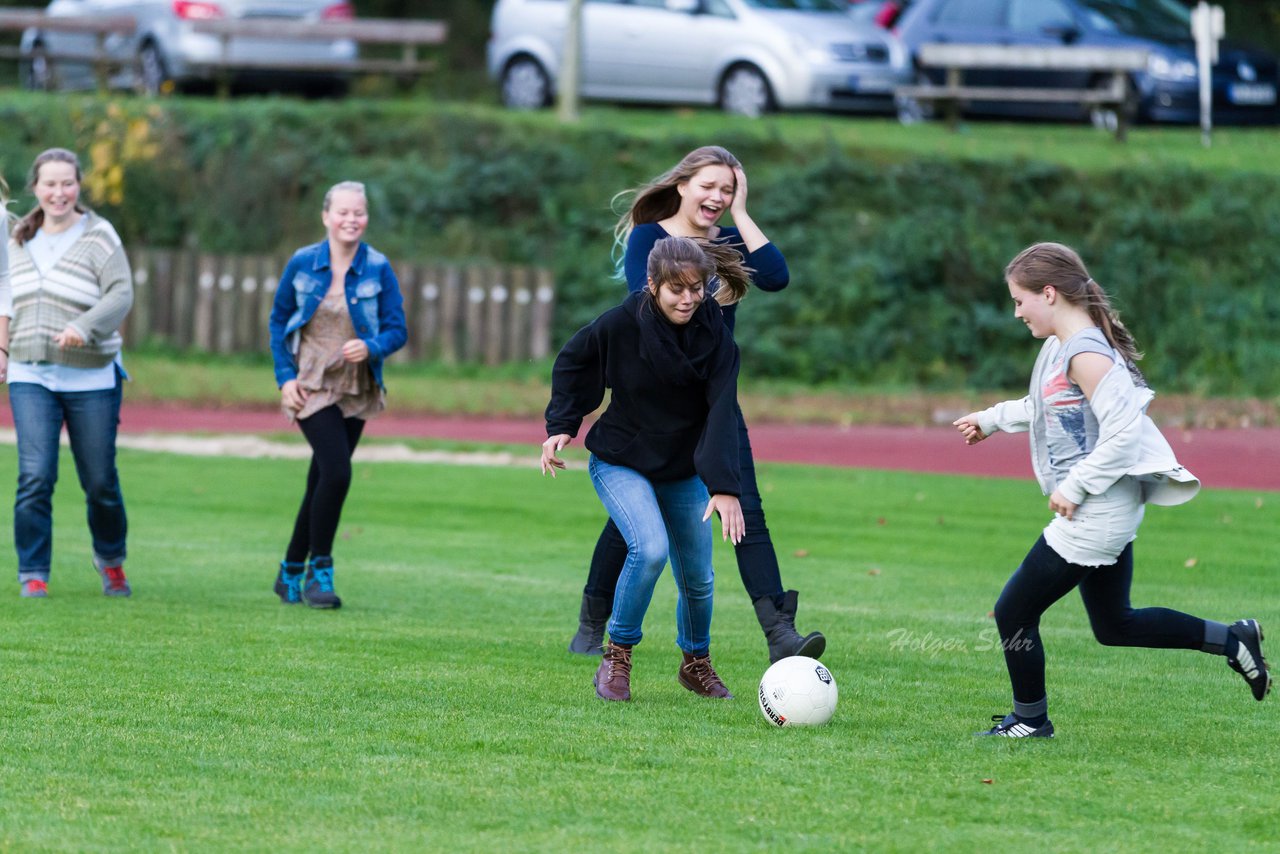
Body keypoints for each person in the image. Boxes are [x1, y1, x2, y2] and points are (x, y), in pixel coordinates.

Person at [953, 241, 1270, 738]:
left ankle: (1030, 721)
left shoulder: (1086, 353)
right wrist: (991, 419)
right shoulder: (1063, 346)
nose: (1016, 312)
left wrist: (1076, 487)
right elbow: (1047, 406)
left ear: (1050, 293)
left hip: (1097, 512)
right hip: (1103, 505)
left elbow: (1122, 434)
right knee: (1114, 625)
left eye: (1019, 300)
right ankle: (1233, 640)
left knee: (1014, 611)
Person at [567, 145, 826, 664]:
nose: (717, 196)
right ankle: (594, 622)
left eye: (727, 189)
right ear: (683, 184)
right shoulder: (650, 238)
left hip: (713, 399)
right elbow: (642, 310)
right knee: (633, 523)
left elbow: (776, 277)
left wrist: (743, 215)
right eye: (709, 185)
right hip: (652, 404)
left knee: (744, 504)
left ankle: (779, 632)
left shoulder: (729, 240)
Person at [543, 236, 748, 702]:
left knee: (699, 576)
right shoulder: (620, 324)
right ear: (652, 284)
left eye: (696, 288)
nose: (689, 298)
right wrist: (561, 425)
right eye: (677, 289)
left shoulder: (716, 337)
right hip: (621, 461)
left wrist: (724, 485)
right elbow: (574, 362)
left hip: (681, 468)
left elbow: (721, 411)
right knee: (650, 548)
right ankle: (616, 657)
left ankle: (696, 663)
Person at [2, 148, 133, 599]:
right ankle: (33, 570)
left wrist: (84, 325)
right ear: (34, 188)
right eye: (49, 184)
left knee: (99, 481)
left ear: (79, 186)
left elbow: (120, 294)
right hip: (29, 371)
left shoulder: (99, 235)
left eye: (67, 183)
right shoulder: (15, 237)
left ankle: (111, 560)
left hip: (91, 375)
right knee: (35, 475)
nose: (59, 192)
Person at [268, 181, 406, 609]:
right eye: (342, 212)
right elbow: (277, 324)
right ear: (325, 216)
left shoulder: (378, 267)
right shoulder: (303, 263)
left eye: (358, 213)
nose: (351, 220)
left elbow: (397, 330)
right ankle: (319, 572)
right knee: (338, 472)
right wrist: (284, 379)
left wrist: (372, 347)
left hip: (356, 386)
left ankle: (290, 569)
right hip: (310, 383)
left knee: (321, 479)